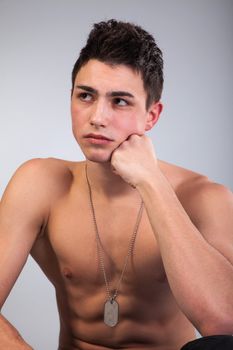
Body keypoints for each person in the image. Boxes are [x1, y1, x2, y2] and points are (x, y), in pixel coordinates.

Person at [0, 19, 233, 350]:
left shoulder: (203, 197)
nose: (97, 116)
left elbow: (225, 325)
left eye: (119, 101)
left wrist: (151, 181)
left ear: (152, 116)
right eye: (86, 96)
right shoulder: (42, 184)